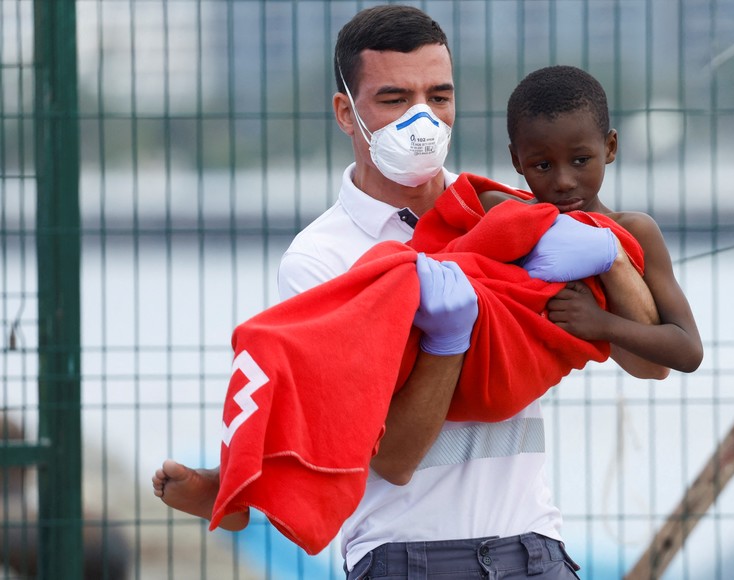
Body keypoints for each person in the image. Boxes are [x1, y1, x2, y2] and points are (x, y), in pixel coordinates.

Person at [152, 6, 669, 578]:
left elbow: (651, 362)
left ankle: (237, 487)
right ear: (347, 113)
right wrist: (447, 341)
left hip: (534, 547)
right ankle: (243, 485)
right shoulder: (323, 259)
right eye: (395, 99)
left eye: (439, 97)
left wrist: (611, 254)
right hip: (405, 556)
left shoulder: (505, 211)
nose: (422, 119)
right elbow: (393, 459)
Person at [480, 64, 703, 375]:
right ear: (517, 160)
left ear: (610, 147)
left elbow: (687, 351)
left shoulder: (634, 230)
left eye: (580, 160)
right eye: (543, 165)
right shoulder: (503, 218)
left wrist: (601, 323)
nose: (564, 181)